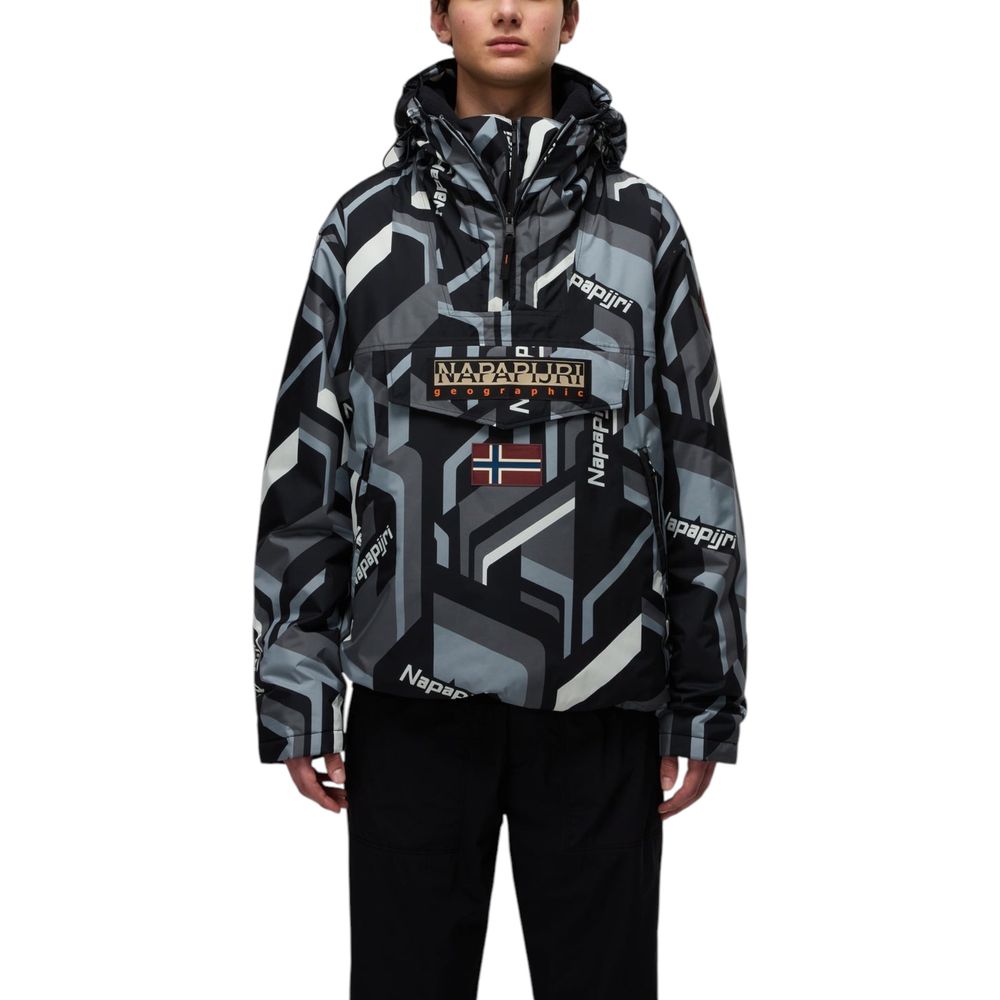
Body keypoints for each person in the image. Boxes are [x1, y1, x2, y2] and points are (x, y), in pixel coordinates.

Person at [252, 2, 748, 997]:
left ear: (572, 17)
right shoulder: (364, 228)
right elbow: (310, 463)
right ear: (439, 18)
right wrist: (296, 691)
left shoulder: (642, 228)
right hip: (409, 696)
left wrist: (704, 702)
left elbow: (696, 459)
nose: (509, 9)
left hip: (602, 698)